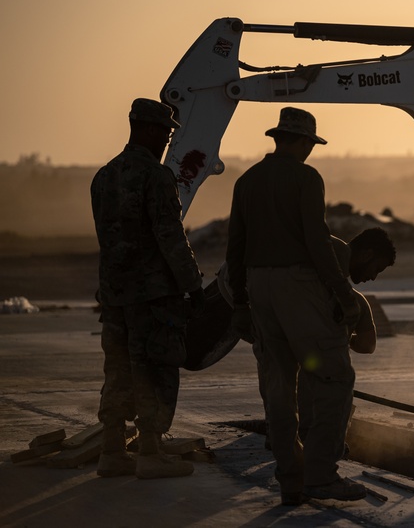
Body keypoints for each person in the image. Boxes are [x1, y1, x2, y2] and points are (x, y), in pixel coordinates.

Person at [225, 106, 385, 506]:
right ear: (300, 142)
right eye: (309, 144)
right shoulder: (306, 177)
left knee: (278, 388)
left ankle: (291, 480)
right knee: (333, 380)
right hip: (298, 285)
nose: (310, 151)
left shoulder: (247, 180)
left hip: (257, 284)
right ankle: (321, 476)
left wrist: (242, 303)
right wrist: (344, 295)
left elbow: (235, 247)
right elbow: (317, 241)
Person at [91, 98, 206, 479]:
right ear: (151, 131)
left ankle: (112, 451)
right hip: (154, 297)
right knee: (155, 367)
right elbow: (170, 237)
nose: (167, 142)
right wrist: (193, 286)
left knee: (118, 368)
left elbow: (107, 239)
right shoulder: (156, 178)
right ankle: (151, 453)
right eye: (167, 134)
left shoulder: (104, 177)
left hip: (114, 295)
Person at [224, 228, 397, 444]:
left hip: (248, 285)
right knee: (282, 359)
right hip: (248, 286)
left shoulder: (332, 267)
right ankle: (288, 436)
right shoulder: (335, 257)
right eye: (376, 269)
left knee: (281, 360)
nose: (373, 277)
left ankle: (283, 434)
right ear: (366, 255)